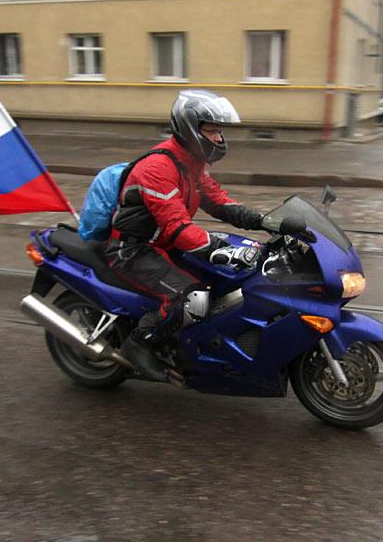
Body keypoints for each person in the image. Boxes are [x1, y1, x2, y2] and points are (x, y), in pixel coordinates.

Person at [105, 90, 264, 381]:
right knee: (189, 297)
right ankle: (137, 345)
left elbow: (218, 201)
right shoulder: (157, 168)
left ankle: (184, 346)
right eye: (212, 131)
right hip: (133, 250)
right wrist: (217, 247)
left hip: (161, 245)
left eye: (220, 131)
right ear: (190, 128)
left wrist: (264, 220)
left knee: (219, 283)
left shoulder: (191, 163)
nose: (218, 138)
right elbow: (176, 226)